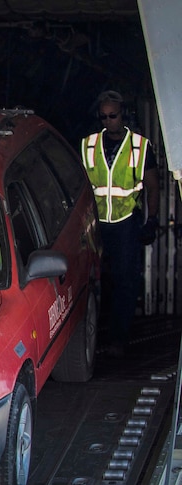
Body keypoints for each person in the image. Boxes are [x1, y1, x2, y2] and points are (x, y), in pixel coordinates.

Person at [81, 90, 160, 357]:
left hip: (126, 222)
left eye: (112, 116)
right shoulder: (88, 145)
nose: (107, 121)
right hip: (96, 224)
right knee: (95, 280)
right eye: (103, 117)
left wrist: (152, 221)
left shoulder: (139, 146)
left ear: (122, 115)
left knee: (125, 280)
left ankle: (118, 339)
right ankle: (95, 336)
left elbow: (152, 186)